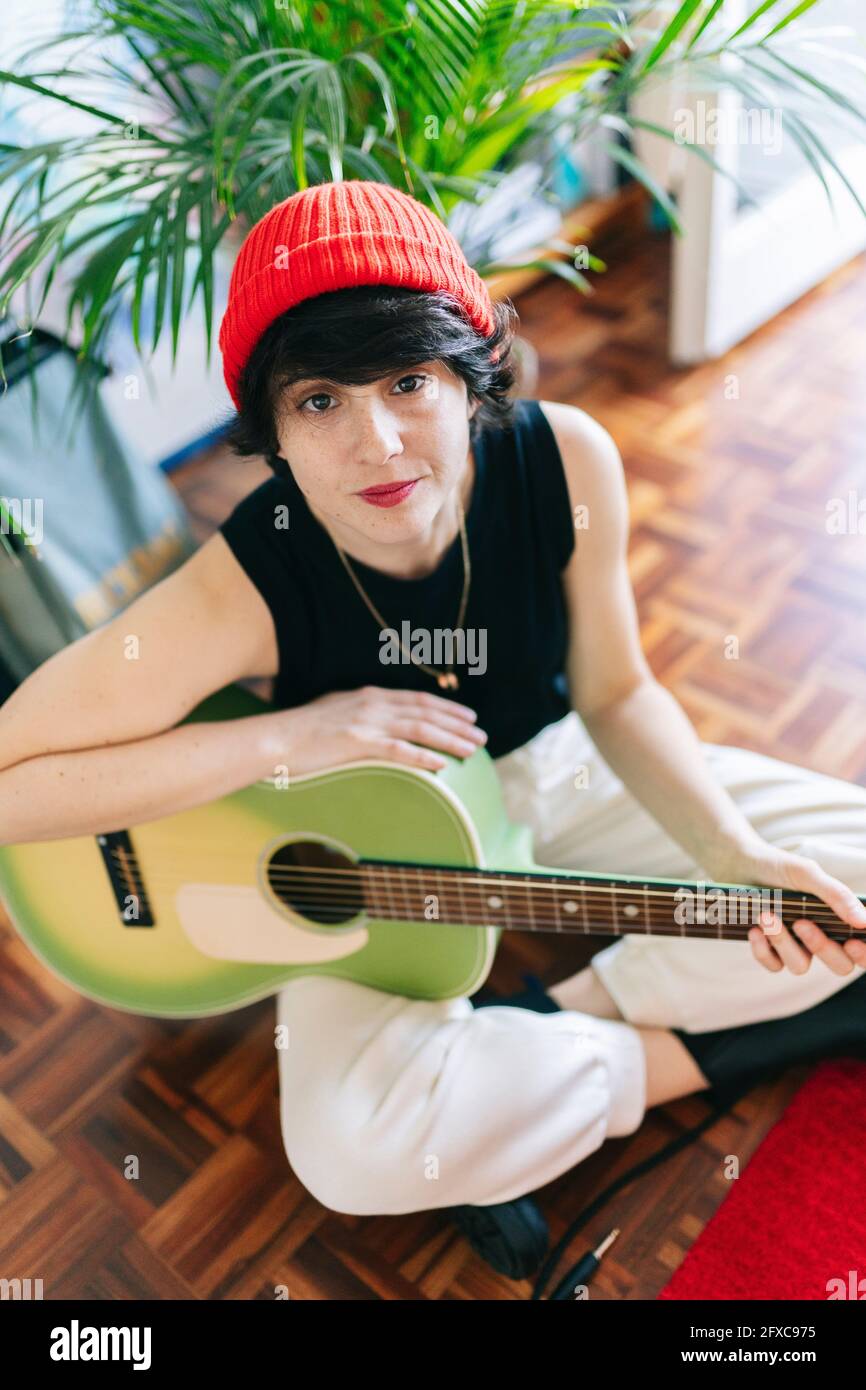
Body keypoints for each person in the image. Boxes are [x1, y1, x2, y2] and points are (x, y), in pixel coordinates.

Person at [2, 179, 866, 1219]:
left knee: (832, 883)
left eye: (408, 380)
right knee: (349, 1154)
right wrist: (296, 734)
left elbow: (617, 689)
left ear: (472, 377)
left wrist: (730, 854)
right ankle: (661, 1055)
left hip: (553, 765)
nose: (376, 445)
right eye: (319, 401)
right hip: (358, 841)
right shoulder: (244, 580)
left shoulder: (565, 458)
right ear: (273, 432)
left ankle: (557, 1024)